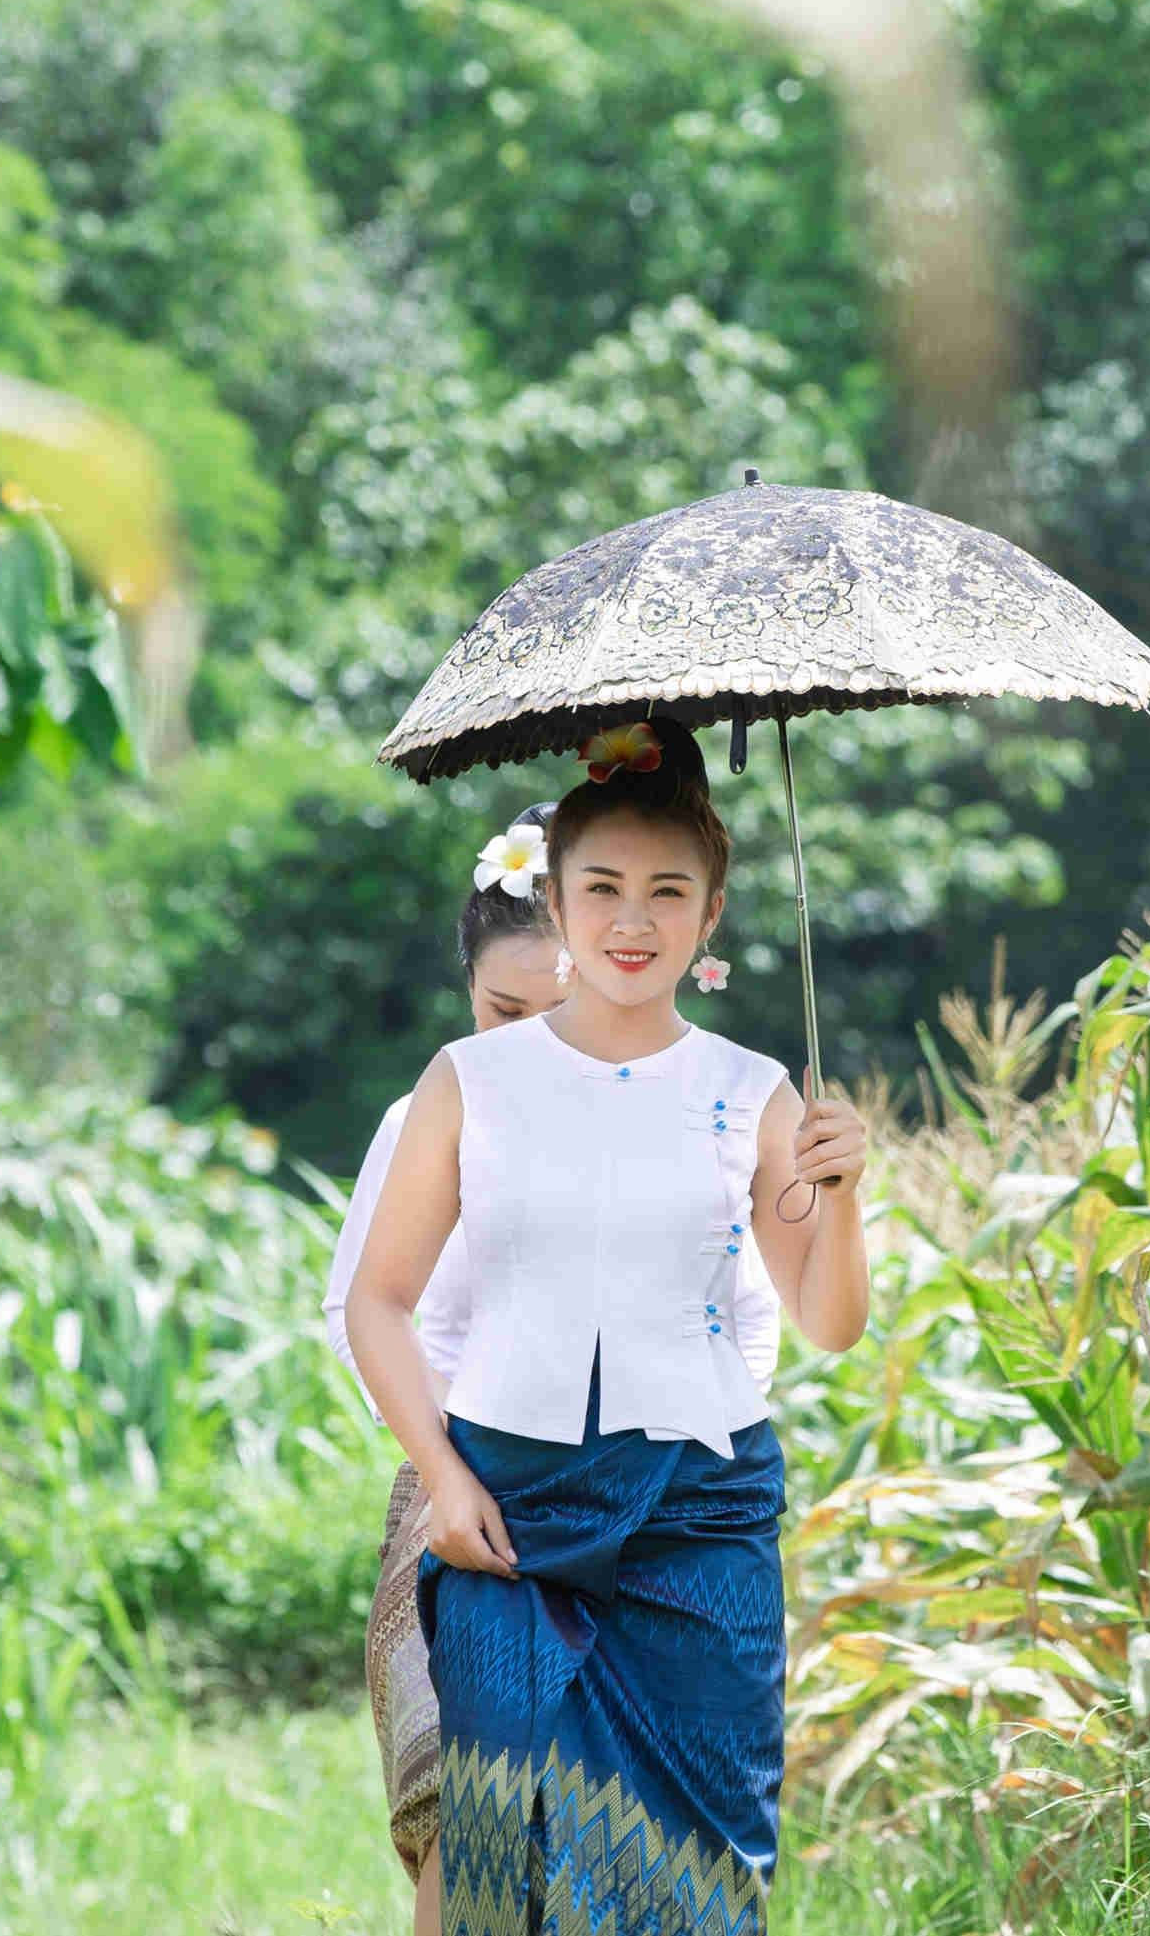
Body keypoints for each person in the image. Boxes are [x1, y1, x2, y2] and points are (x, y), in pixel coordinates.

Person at [344, 715, 872, 1936]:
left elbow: (830, 1322)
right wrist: (442, 1477)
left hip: (703, 1509)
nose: (634, 922)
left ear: (712, 911)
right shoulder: (469, 1081)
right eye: (604, 889)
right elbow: (379, 1300)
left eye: (667, 892)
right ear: (562, 901)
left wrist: (842, 1205)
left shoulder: (756, 1091)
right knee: (492, 1844)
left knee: (703, 1854)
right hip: (510, 1508)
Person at [316, 799, 571, 1927]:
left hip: (633, 1501)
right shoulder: (422, 1121)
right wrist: (451, 1465)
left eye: (562, 1014)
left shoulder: (694, 1123)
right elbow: (358, 1308)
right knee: (463, 1826)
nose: (526, 1043)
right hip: (455, 1499)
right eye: (499, 1009)